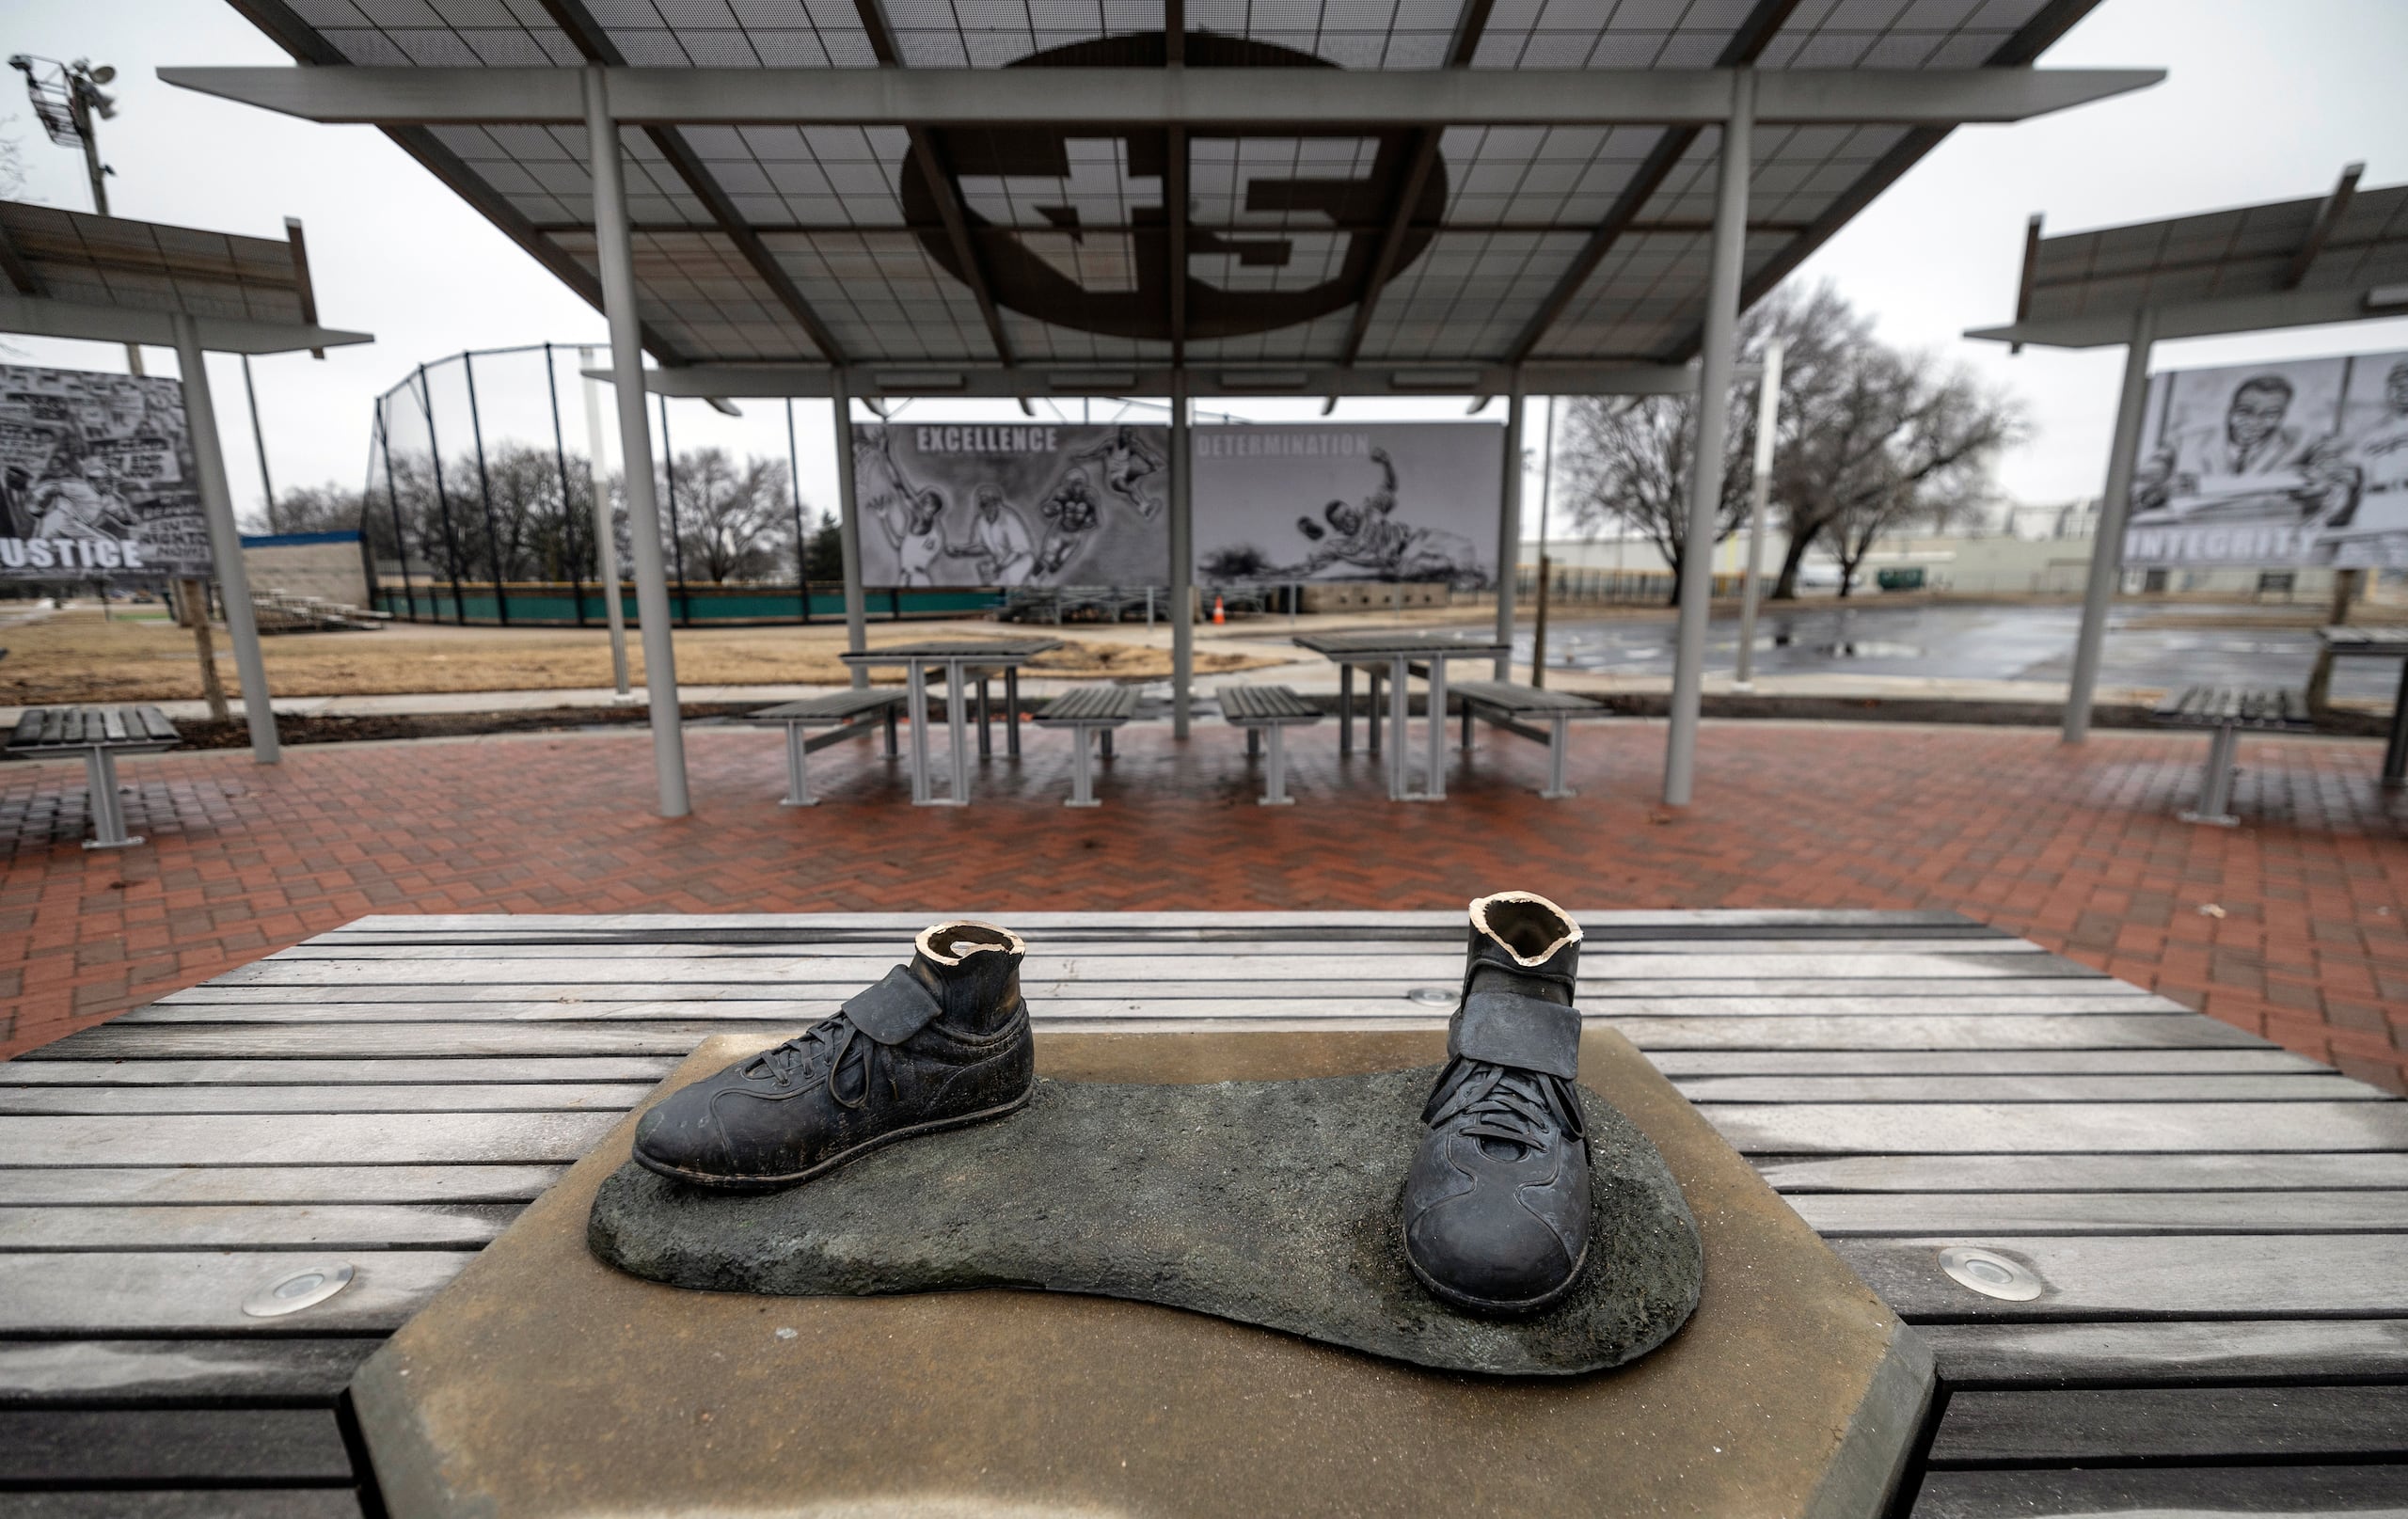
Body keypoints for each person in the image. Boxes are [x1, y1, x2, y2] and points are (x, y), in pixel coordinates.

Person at [2132, 373, 2346, 523]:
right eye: (2246, 412)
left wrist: (2321, 484)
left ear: (2282, 416)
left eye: (2270, 414)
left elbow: (2335, 477)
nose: (2255, 422)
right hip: (2187, 533)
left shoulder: (2306, 441)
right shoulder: (2183, 442)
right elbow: (2139, 485)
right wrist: (2157, 491)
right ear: (2231, 410)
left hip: (2267, 537)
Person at [1275, 448, 1484, 587]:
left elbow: (1390, 487)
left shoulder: (1366, 510)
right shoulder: (1336, 545)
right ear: (1337, 526)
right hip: (1402, 562)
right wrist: (1277, 574)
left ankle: (1474, 577)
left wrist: (1386, 463)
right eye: (1343, 520)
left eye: (1348, 513)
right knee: (1440, 569)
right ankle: (1461, 578)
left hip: (1414, 538)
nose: (1350, 519)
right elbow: (1309, 566)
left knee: (1464, 547)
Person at [1063, 427, 1164, 519]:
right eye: (1126, 434)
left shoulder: (1132, 445)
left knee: (1148, 468)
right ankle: (1144, 508)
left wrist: (1154, 464)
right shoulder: (1111, 443)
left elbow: (1145, 455)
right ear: (1120, 434)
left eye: (1130, 436)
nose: (1128, 438)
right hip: (1115, 477)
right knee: (1127, 487)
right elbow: (1093, 452)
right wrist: (1079, 455)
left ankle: (1153, 470)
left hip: (1127, 472)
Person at [945, 483, 1038, 585]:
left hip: (1020, 563)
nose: (988, 506)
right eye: (983, 504)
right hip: (1000, 565)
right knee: (991, 590)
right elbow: (983, 547)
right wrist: (962, 550)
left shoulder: (1009, 518)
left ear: (998, 503)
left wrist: (1000, 567)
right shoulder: (980, 522)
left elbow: (1018, 550)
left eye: (992, 502)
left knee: (1010, 590)